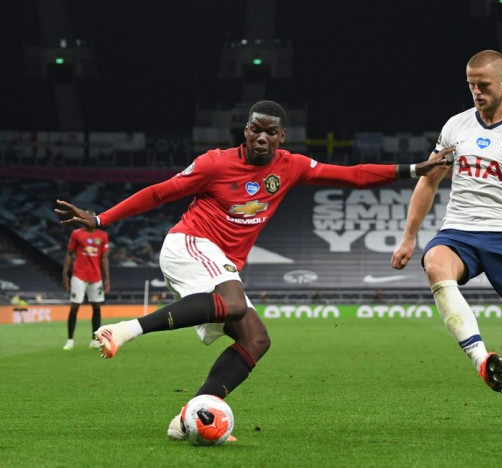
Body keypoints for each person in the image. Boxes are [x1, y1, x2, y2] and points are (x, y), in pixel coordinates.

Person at [55, 100, 450, 441]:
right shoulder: (214, 164)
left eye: (270, 132)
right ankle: (123, 329)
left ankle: (188, 417)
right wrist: (101, 219)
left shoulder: (291, 167)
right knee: (232, 303)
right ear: (245, 131)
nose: (262, 138)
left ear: (282, 137)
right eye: (255, 130)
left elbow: (352, 175)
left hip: (220, 264)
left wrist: (415, 169)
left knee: (257, 339)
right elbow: (160, 192)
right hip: (189, 244)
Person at [391, 50, 502, 438]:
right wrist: (409, 237)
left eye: (484, 85)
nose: (476, 91)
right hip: (459, 230)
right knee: (436, 262)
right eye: (471, 84)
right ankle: (480, 357)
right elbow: (428, 181)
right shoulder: (455, 127)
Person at [61, 213, 110, 350]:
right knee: (75, 306)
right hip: (79, 275)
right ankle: (70, 340)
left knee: (97, 307)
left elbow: (104, 258)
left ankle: (95, 340)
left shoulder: (103, 236)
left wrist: (107, 279)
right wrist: (65, 274)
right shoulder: (76, 234)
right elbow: (69, 254)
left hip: (96, 277)